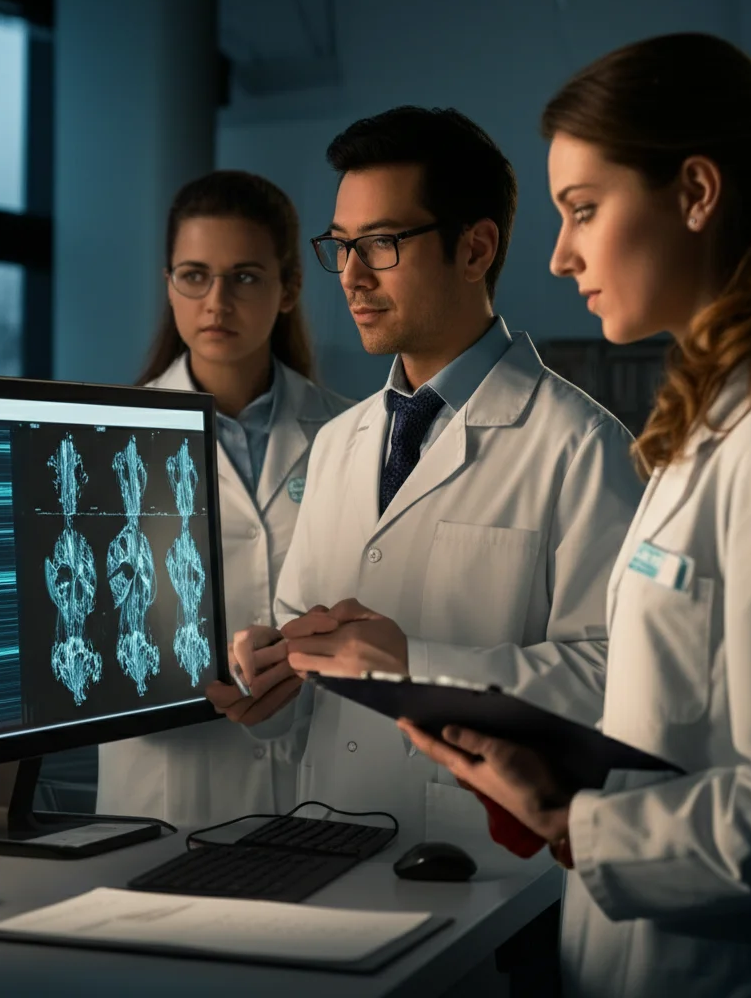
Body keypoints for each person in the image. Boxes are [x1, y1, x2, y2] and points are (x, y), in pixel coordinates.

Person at [399, 33, 751, 997]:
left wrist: (571, 817)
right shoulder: (716, 423)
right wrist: (547, 777)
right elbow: (687, 721)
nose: (557, 257)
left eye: (584, 211)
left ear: (695, 192)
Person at [210, 107, 645, 860]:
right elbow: (308, 681)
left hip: (487, 875)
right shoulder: (339, 444)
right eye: (341, 247)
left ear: (475, 248)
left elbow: (619, 679)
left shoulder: (582, 445)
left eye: (380, 244)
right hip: (329, 848)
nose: (350, 276)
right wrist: (265, 681)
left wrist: (417, 666)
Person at [97, 169, 352, 827]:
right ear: (170, 286)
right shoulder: (106, 440)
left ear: (289, 286)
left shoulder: (352, 434)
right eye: (194, 275)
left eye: (243, 276)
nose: (216, 302)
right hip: (169, 792)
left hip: (319, 787)